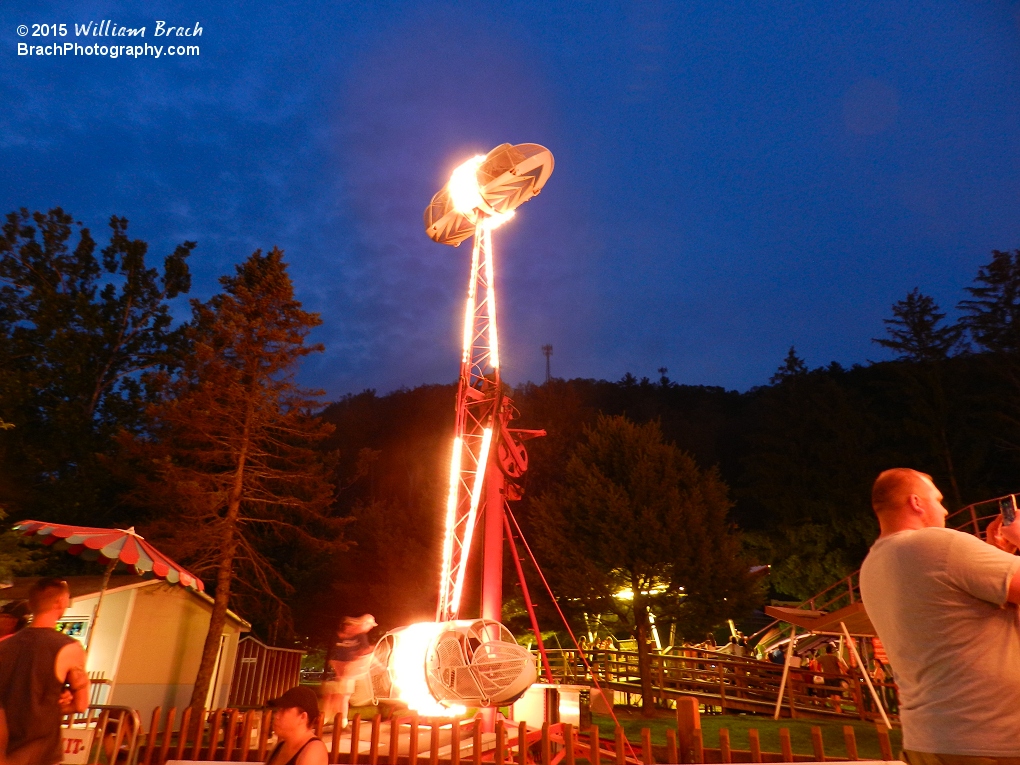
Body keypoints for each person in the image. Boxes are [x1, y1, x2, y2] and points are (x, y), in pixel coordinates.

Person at [859, 468, 1020, 762]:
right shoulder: (939, 544)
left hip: (929, 740)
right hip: (987, 743)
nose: (945, 510)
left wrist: (1001, 555)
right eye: (938, 499)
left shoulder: (873, 564)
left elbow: (956, 617)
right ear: (917, 502)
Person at [0, 578, 90, 765]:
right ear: (61, 602)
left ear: (31, 604)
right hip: (41, 751)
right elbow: (81, 704)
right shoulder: (69, 648)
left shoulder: (4, 646)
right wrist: (54, 703)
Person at [325, 615, 375, 730]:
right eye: (369, 625)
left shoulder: (359, 637)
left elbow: (362, 652)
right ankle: (329, 720)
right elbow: (334, 656)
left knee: (342, 697)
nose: (370, 628)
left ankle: (338, 721)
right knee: (336, 697)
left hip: (347, 672)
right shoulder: (356, 636)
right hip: (342, 671)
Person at [266, 686, 328, 765]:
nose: (276, 716)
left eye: (284, 710)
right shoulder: (279, 747)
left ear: (302, 717)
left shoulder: (314, 750)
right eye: (279, 710)